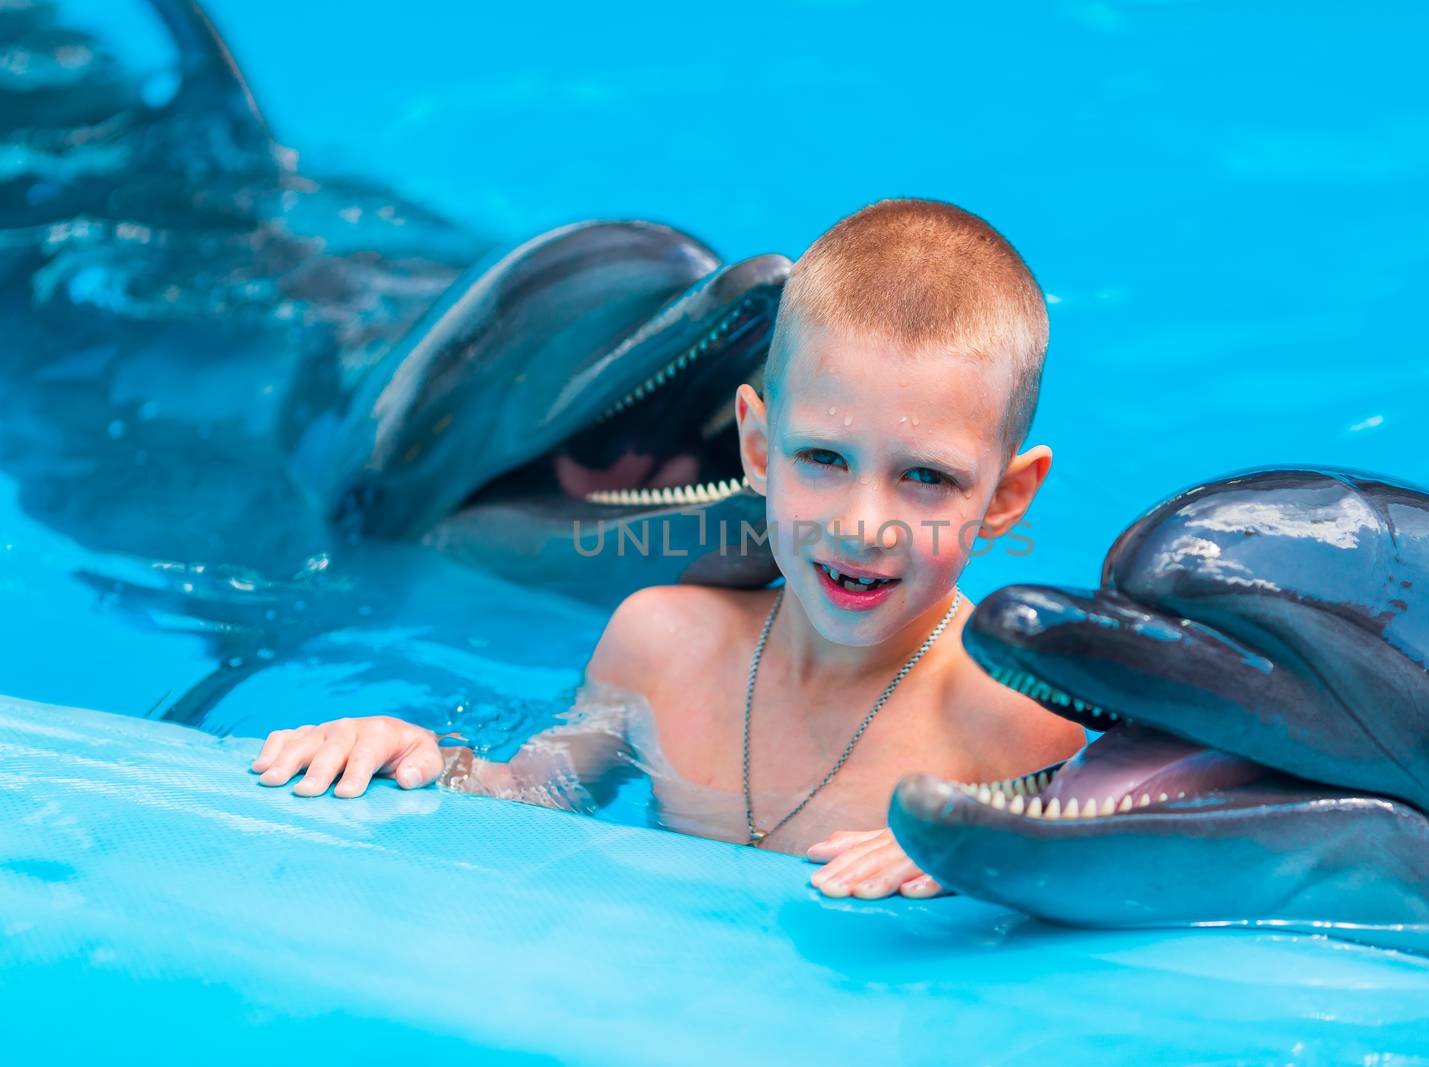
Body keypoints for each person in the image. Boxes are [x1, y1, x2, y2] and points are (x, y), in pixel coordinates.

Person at [250, 198, 1085, 899]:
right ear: (758, 448)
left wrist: (990, 851)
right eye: (823, 458)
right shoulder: (661, 644)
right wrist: (419, 755)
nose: (865, 524)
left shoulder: (1015, 713)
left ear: (1006, 498)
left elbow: (1122, 865)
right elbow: (538, 795)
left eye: (927, 478)